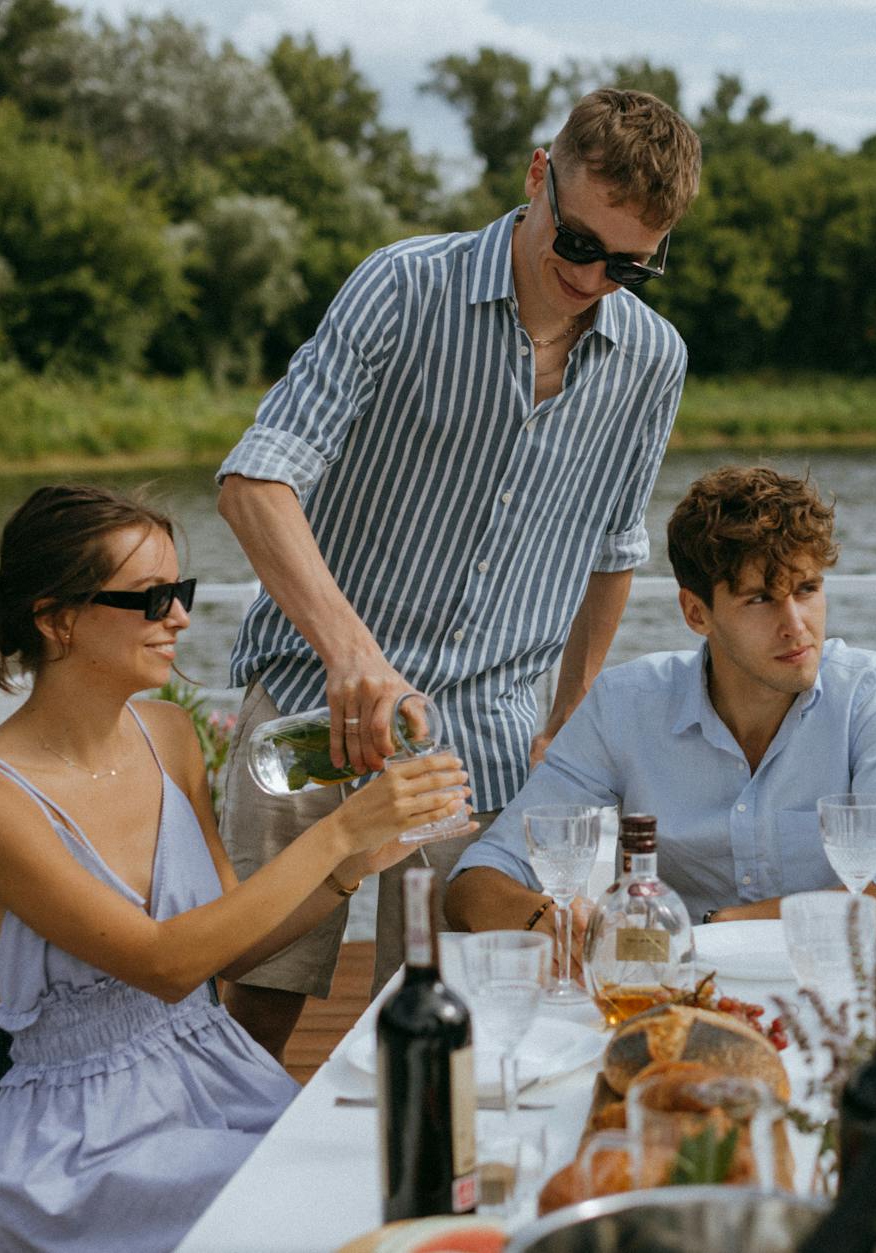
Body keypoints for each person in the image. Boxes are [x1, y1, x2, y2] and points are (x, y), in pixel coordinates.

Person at [213, 88, 703, 1061]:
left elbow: (612, 550)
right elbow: (254, 481)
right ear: (536, 176)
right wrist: (354, 654)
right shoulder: (401, 286)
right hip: (314, 713)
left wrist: (564, 724)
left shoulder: (652, 359)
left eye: (628, 265)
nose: (593, 278)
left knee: (463, 1031)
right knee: (256, 1006)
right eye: (576, 244)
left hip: (478, 743)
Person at [0, 485, 468, 1253]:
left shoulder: (169, 732)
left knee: (423, 1171)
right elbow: (167, 964)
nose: (179, 616)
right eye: (150, 598)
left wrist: (354, 864)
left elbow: (228, 945)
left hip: (215, 1076)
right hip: (89, 1147)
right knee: (359, 1209)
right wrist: (340, 824)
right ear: (56, 619)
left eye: (180, 591)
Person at [446, 466, 876, 948]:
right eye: (760, 599)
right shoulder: (626, 704)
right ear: (696, 612)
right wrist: (550, 920)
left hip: (833, 984)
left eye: (807, 589)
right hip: (680, 989)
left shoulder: (869, 693)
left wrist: (724, 925)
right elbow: (475, 885)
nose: (796, 625)